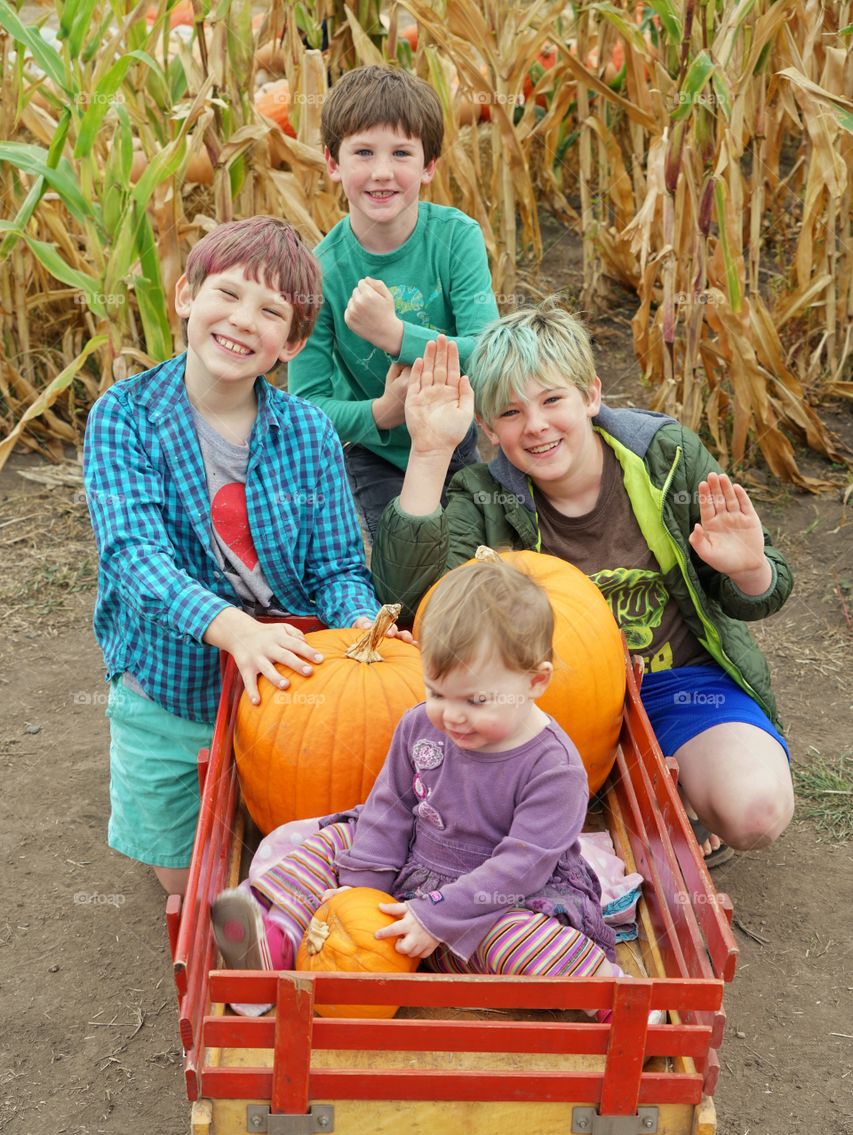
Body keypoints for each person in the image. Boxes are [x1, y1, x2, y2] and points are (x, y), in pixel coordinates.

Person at [369, 313, 796, 864]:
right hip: (548, 704)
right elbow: (410, 604)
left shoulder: (666, 458)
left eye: (552, 400)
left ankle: (672, 782)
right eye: (511, 412)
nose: (536, 426)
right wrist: (428, 453)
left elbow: (758, 591)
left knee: (756, 812)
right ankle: (620, 796)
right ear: (490, 430)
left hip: (678, 684)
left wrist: (748, 568)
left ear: (591, 394)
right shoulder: (480, 497)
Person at [212, 560, 666, 1024]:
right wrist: (360, 899)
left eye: (475, 700)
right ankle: (274, 942)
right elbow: (390, 808)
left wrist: (438, 916)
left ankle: (612, 996)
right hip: (410, 871)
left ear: (536, 681)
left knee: (524, 943)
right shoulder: (419, 726)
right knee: (334, 843)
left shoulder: (554, 767)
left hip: (494, 905)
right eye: (437, 692)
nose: (451, 716)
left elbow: (520, 867)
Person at [84, 215, 390, 898]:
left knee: (302, 847)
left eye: (271, 310)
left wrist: (361, 637)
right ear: (185, 297)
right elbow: (136, 558)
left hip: (288, 680)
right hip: (168, 684)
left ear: (293, 341)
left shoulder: (306, 430)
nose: (243, 320)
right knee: (186, 880)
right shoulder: (124, 416)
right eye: (227, 294)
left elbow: (337, 567)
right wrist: (235, 630)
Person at [287, 65, 499, 540]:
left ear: (428, 166)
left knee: (472, 561)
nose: (382, 172)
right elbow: (307, 405)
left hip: (454, 436)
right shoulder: (318, 274)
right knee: (405, 569)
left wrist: (394, 336)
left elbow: (492, 352)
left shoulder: (454, 238)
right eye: (363, 152)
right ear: (332, 162)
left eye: (401, 153)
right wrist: (384, 410)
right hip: (377, 455)